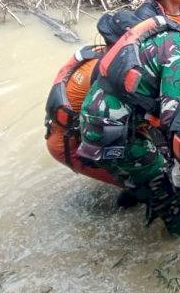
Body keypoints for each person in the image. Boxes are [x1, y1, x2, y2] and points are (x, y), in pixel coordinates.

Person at [79, 0, 180, 235]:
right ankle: (176, 234)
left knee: (143, 174)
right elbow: (172, 119)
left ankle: (135, 197)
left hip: (98, 117)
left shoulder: (167, 33)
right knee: (172, 196)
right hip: (116, 130)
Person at [45, 10, 140, 186]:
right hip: (68, 145)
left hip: (64, 132)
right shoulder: (106, 75)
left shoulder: (94, 52)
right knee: (135, 182)